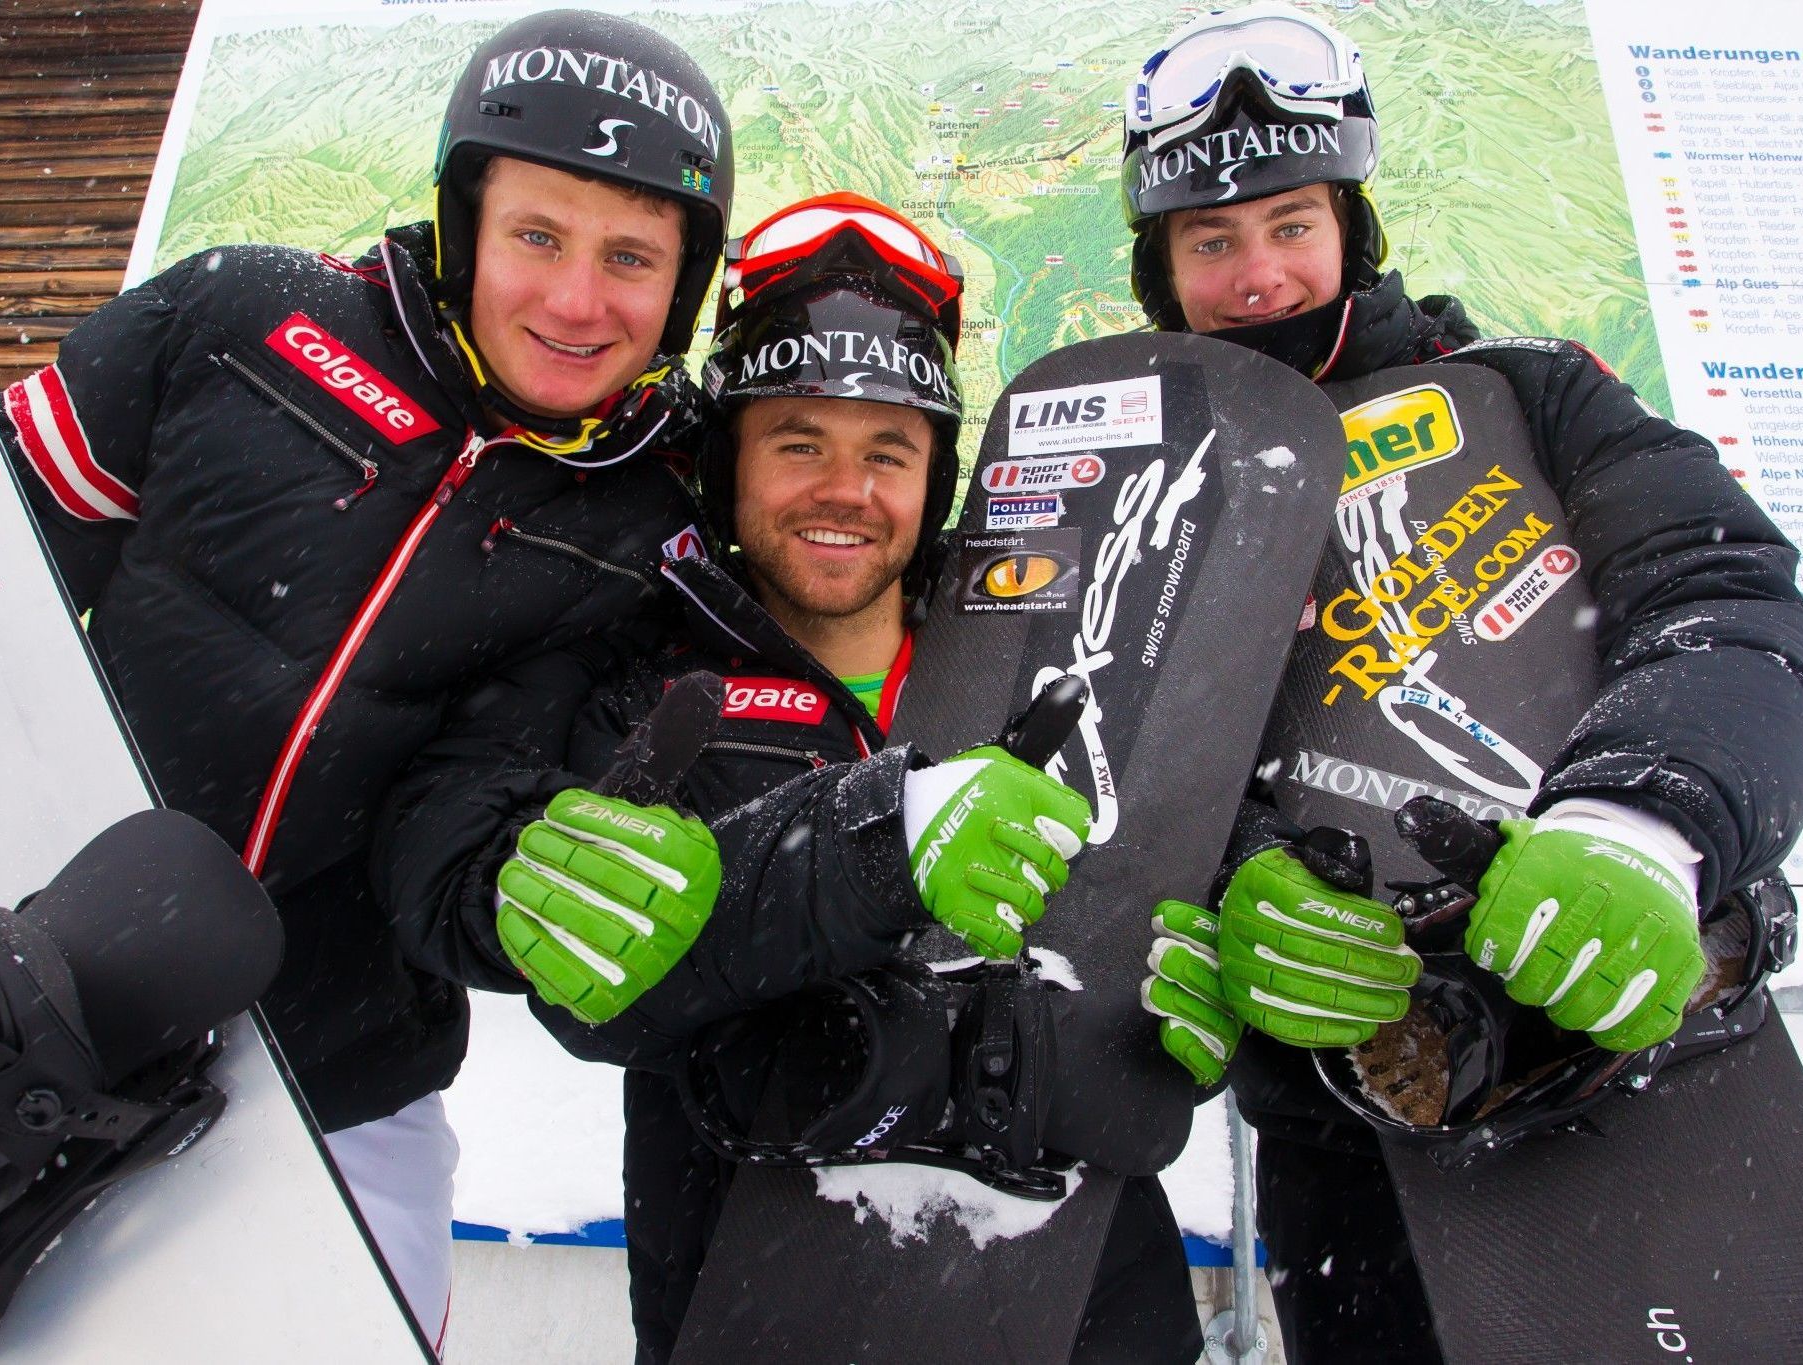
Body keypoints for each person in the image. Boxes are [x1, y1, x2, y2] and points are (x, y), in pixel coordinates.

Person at [0, 10, 736, 1350]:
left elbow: (489, 810)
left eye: (631, 258)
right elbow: (4, 553)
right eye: (537, 236)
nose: (577, 302)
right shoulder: (243, 320)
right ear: (461, 221)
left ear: (682, 287)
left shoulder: (648, 524)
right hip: (29, 974)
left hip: (338, 1086)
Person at [376, 192, 1221, 1362]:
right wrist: (878, 846)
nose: (845, 490)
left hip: (1087, 1301)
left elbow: (1180, 888)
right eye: (796, 444)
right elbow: (602, 1003)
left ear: (936, 482)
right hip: (759, 1296)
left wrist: (1209, 972)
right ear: (728, 466)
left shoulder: (1070, 666)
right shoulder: (651, 695)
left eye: (888, 451)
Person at [1125, 5, 1803, 1361]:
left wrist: (1642, 823)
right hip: (1357, 1123)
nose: (1260, 273)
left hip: (1646, 1020)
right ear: (1162, 268)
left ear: (1353, 229)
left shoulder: (1532, 394)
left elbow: (1728, 593)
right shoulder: (1142, 496)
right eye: (1212, 239)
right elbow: (1109, 750)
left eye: (1293, 223)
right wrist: (1229, 882)